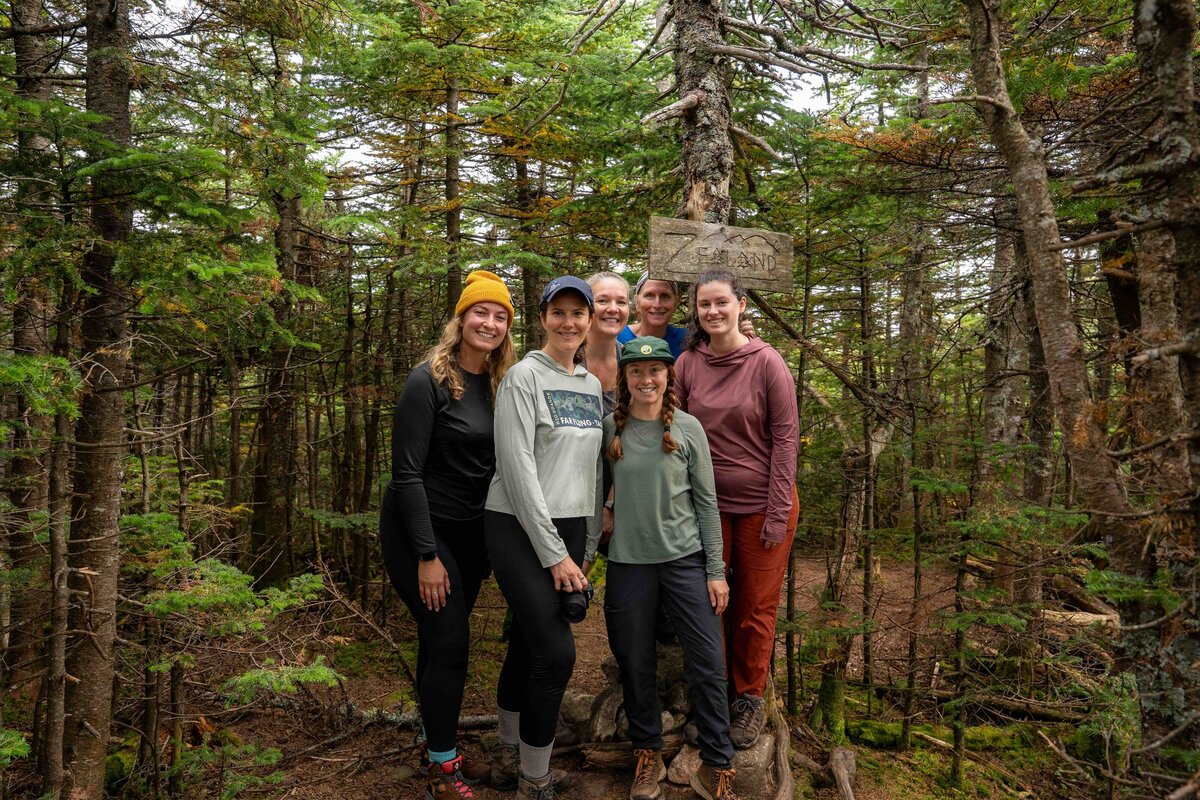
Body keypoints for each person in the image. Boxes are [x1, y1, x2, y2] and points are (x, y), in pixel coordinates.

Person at [378, 270, 516, 800]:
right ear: (461, 319)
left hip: (470, 535)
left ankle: (434, 744)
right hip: (420, 532)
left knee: (438, 643)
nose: (490, 323)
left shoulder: (501, 383)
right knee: (452, 644)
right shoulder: (428, 381)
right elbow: (406, 475)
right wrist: (426, 554)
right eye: (480, 312)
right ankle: (442, 768)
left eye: (500, 316)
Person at [603, 336, 738, 800]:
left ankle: (717, 765)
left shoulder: (688, 427)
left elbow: (707, 502)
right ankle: (647, 754)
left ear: (668, 376)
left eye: (655, 370)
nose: (646, 379)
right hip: (628, 564)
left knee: (709, 663)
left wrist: (715, 570)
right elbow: (595, 497)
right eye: (636, 372)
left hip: (685, 561)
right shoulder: (610, 429)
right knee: (634, 660)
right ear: (624, 377)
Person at [485, 275, 604, 800]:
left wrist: (587, 545)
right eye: (559, 312)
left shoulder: (592, 386)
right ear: (543, 319)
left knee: (528, 643)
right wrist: (555, 554)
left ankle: (507, 753)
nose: (568, 322)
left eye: (578, 313)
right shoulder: (523, 378)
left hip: (572, 526)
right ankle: (534, 780)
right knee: (556, 655)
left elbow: (593, 469)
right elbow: (516, 468)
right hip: (516, 524)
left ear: (589, 321)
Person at [674, 269, 799, 750]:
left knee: (754, 608)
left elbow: (786, 440)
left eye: (721, 302)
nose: (713, 311)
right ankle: (714, 695)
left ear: (741, 304)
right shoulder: (689, 363)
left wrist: (777, 511)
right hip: (707, 508)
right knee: (709, 605)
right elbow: (674, 430)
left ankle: (749, 698)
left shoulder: (767, 362)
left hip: (764, 506)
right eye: (705, 304)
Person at [583, 271, 632, 415]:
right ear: (587, 307)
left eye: (621, 302)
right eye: (603, 301)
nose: (613, 309)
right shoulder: (567, 360)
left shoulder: (631, 361)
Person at [617, 273, 687, 357]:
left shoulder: (687, 340)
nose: (657, 305)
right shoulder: (617, 336)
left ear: (675, 303)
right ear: (637, 302)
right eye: (649, 296)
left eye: (665, 296)